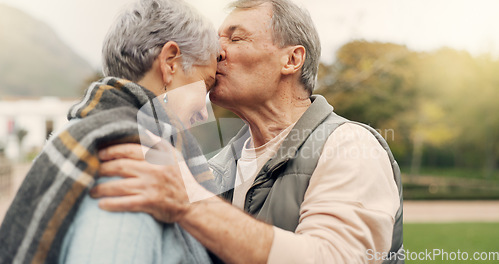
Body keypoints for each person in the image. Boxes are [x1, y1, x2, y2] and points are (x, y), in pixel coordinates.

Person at [90, 0, 404, 263]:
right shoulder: (213, 166)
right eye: (217, 39)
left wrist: (191, 203)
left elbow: (334, 257)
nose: (216, 52)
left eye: (236, 38)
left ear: (291, 59)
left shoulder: (349, 145)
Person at [0, 0, 220, 263]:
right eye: (205, 84)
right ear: (171, 63)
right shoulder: (134, 161)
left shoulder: (79, 135)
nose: (205, 113)